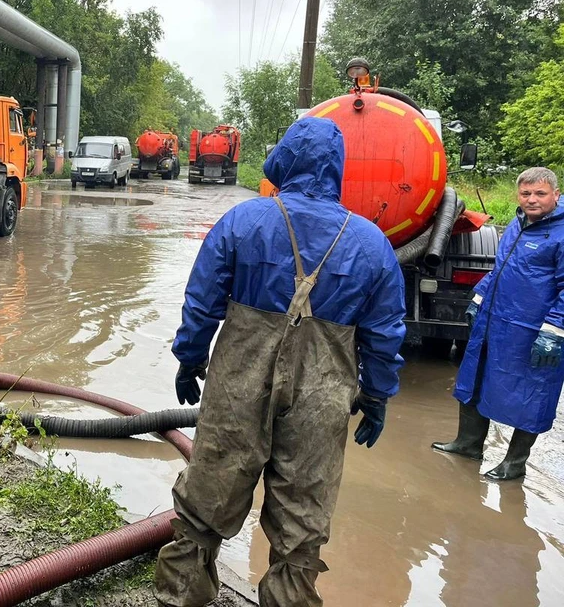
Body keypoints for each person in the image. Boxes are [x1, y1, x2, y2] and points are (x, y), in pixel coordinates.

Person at [154, 116, 407, 607]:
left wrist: (190, 357)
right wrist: (376, 395)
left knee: (211, 488)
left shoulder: (243, 221)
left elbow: (202, 300)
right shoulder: (372, 244)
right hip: (324, 393)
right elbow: (384, 334)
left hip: (238, 382)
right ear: (337, 170)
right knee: (304, 509)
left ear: (286, 160)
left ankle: (181, 595)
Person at [433, 167, 564, 481]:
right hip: (497, 321)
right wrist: (479, 298)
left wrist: (555, 329)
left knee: (532, 392)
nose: (532, 200)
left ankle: (515, 463)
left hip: (535, 331)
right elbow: (500, 269)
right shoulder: (518, 225)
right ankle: (468, 443)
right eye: (526, 193)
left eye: (540, 194)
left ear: (555, 196)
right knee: (474, 378)